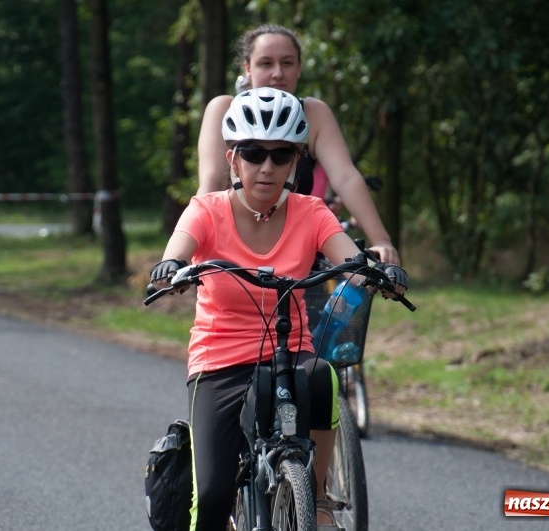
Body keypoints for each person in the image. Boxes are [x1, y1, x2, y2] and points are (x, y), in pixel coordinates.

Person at [151, 88, 408, 530]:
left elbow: (348, 257)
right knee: (211, 498)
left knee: (324, 375)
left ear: (295, 163)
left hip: (290, 354)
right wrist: (172, 266)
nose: (266, 166)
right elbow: (179, 247)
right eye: (253, 153)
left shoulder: (312, 212)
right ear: (233, 158)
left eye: (280, 155)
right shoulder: (206, 211)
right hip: (219, 362)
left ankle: (320, 497)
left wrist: (376, 274)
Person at [197, 23, 401, 265]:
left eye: (287, 63)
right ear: (247, 68)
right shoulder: (223, 108)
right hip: (232, 252)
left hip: (299, 258)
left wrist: (381, 240)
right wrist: (195, 241)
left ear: (299, 68)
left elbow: (346, 177)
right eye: (266, 63)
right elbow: (211, 181)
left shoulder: (313, 113)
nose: (277, 73)